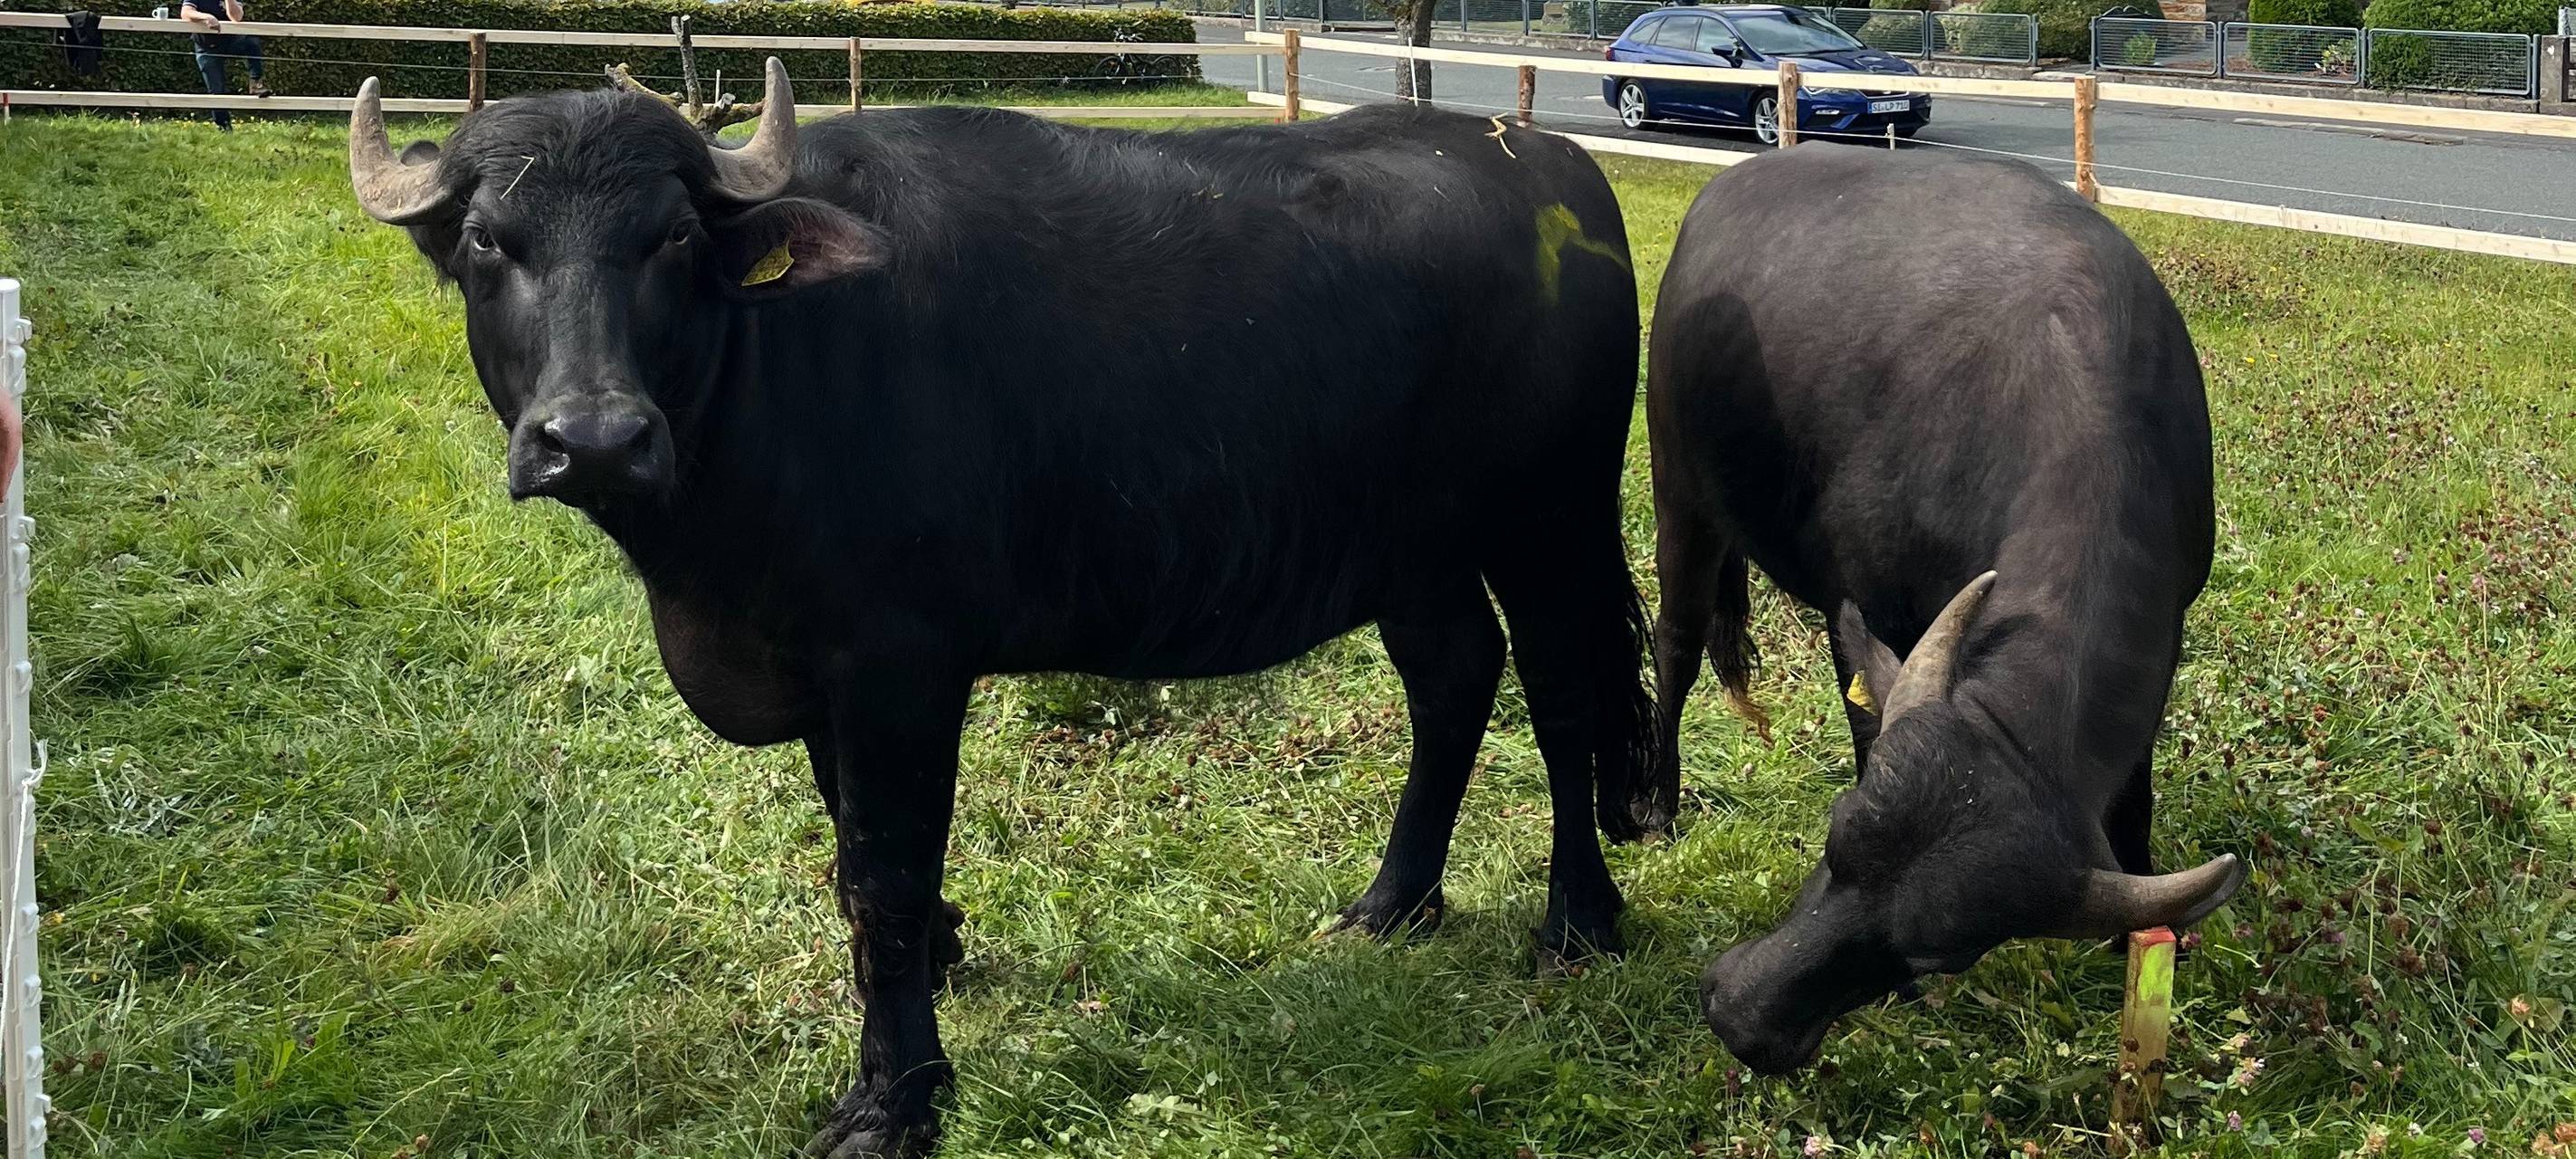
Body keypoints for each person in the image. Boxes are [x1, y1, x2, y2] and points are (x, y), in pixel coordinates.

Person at [177, 0, 270, 131]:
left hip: (230, 42)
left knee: (252, 43)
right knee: (216, 91)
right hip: (206, 48)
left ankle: (256, 83)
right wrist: (207, 17)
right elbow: (186, 13)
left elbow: (236, 17)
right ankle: (224, 127)